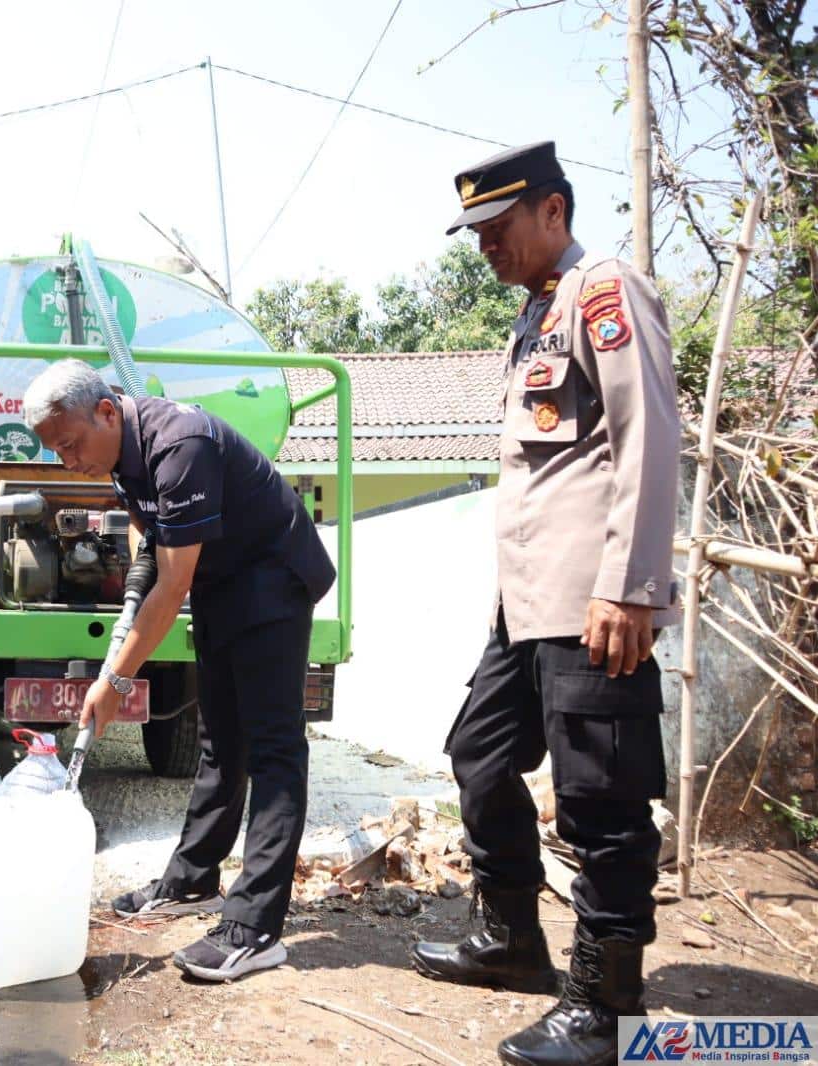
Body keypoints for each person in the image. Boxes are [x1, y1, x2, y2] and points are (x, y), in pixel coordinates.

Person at [410, 142, 680, 1066]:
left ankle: (609, 1008)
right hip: (523, 608)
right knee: (476, 755)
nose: (483, 246)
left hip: (592, 600)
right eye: (474, 233)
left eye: (496, 227)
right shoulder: (536, 314)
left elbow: (648, 434)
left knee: (599, 801)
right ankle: (509, 938)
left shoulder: (605, 292)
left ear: (552, 212)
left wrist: (630, 585)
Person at [22, 359, 335, 982]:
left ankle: (255, 928)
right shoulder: (119, 456)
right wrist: (131, 595)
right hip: (224, 582)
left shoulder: (180, 445)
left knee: (273, 748)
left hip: (274, 579)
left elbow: (173, 584)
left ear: (107, 410)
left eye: (71, 444)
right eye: (56, 450)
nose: (67, 461)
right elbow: (150, 543)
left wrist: (114, 680)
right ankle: (194, 880)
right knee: (221, 740)